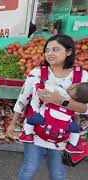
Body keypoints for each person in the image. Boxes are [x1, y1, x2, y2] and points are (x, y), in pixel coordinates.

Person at [7, 34, 88, 180]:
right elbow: (23, 98)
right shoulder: (37, 73)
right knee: (30, 167)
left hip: (62, 134)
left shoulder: (82, 77)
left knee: (57, 172)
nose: (50, 53)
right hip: (35, 131)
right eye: (47, 50)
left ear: (69, 51)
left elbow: (86, 108)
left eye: (56, 49)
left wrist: (61, 101)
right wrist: (13, 123)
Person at [19, 79, 88, 153]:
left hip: (45, 121)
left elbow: (42, 91)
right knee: (76, 129)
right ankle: (72, 145)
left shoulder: (58, 90)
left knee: (30, 120)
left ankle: (27, 135)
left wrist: (40, 84)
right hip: (63, 129)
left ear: (72, 87)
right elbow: (81, 113)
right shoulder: (77, 105)